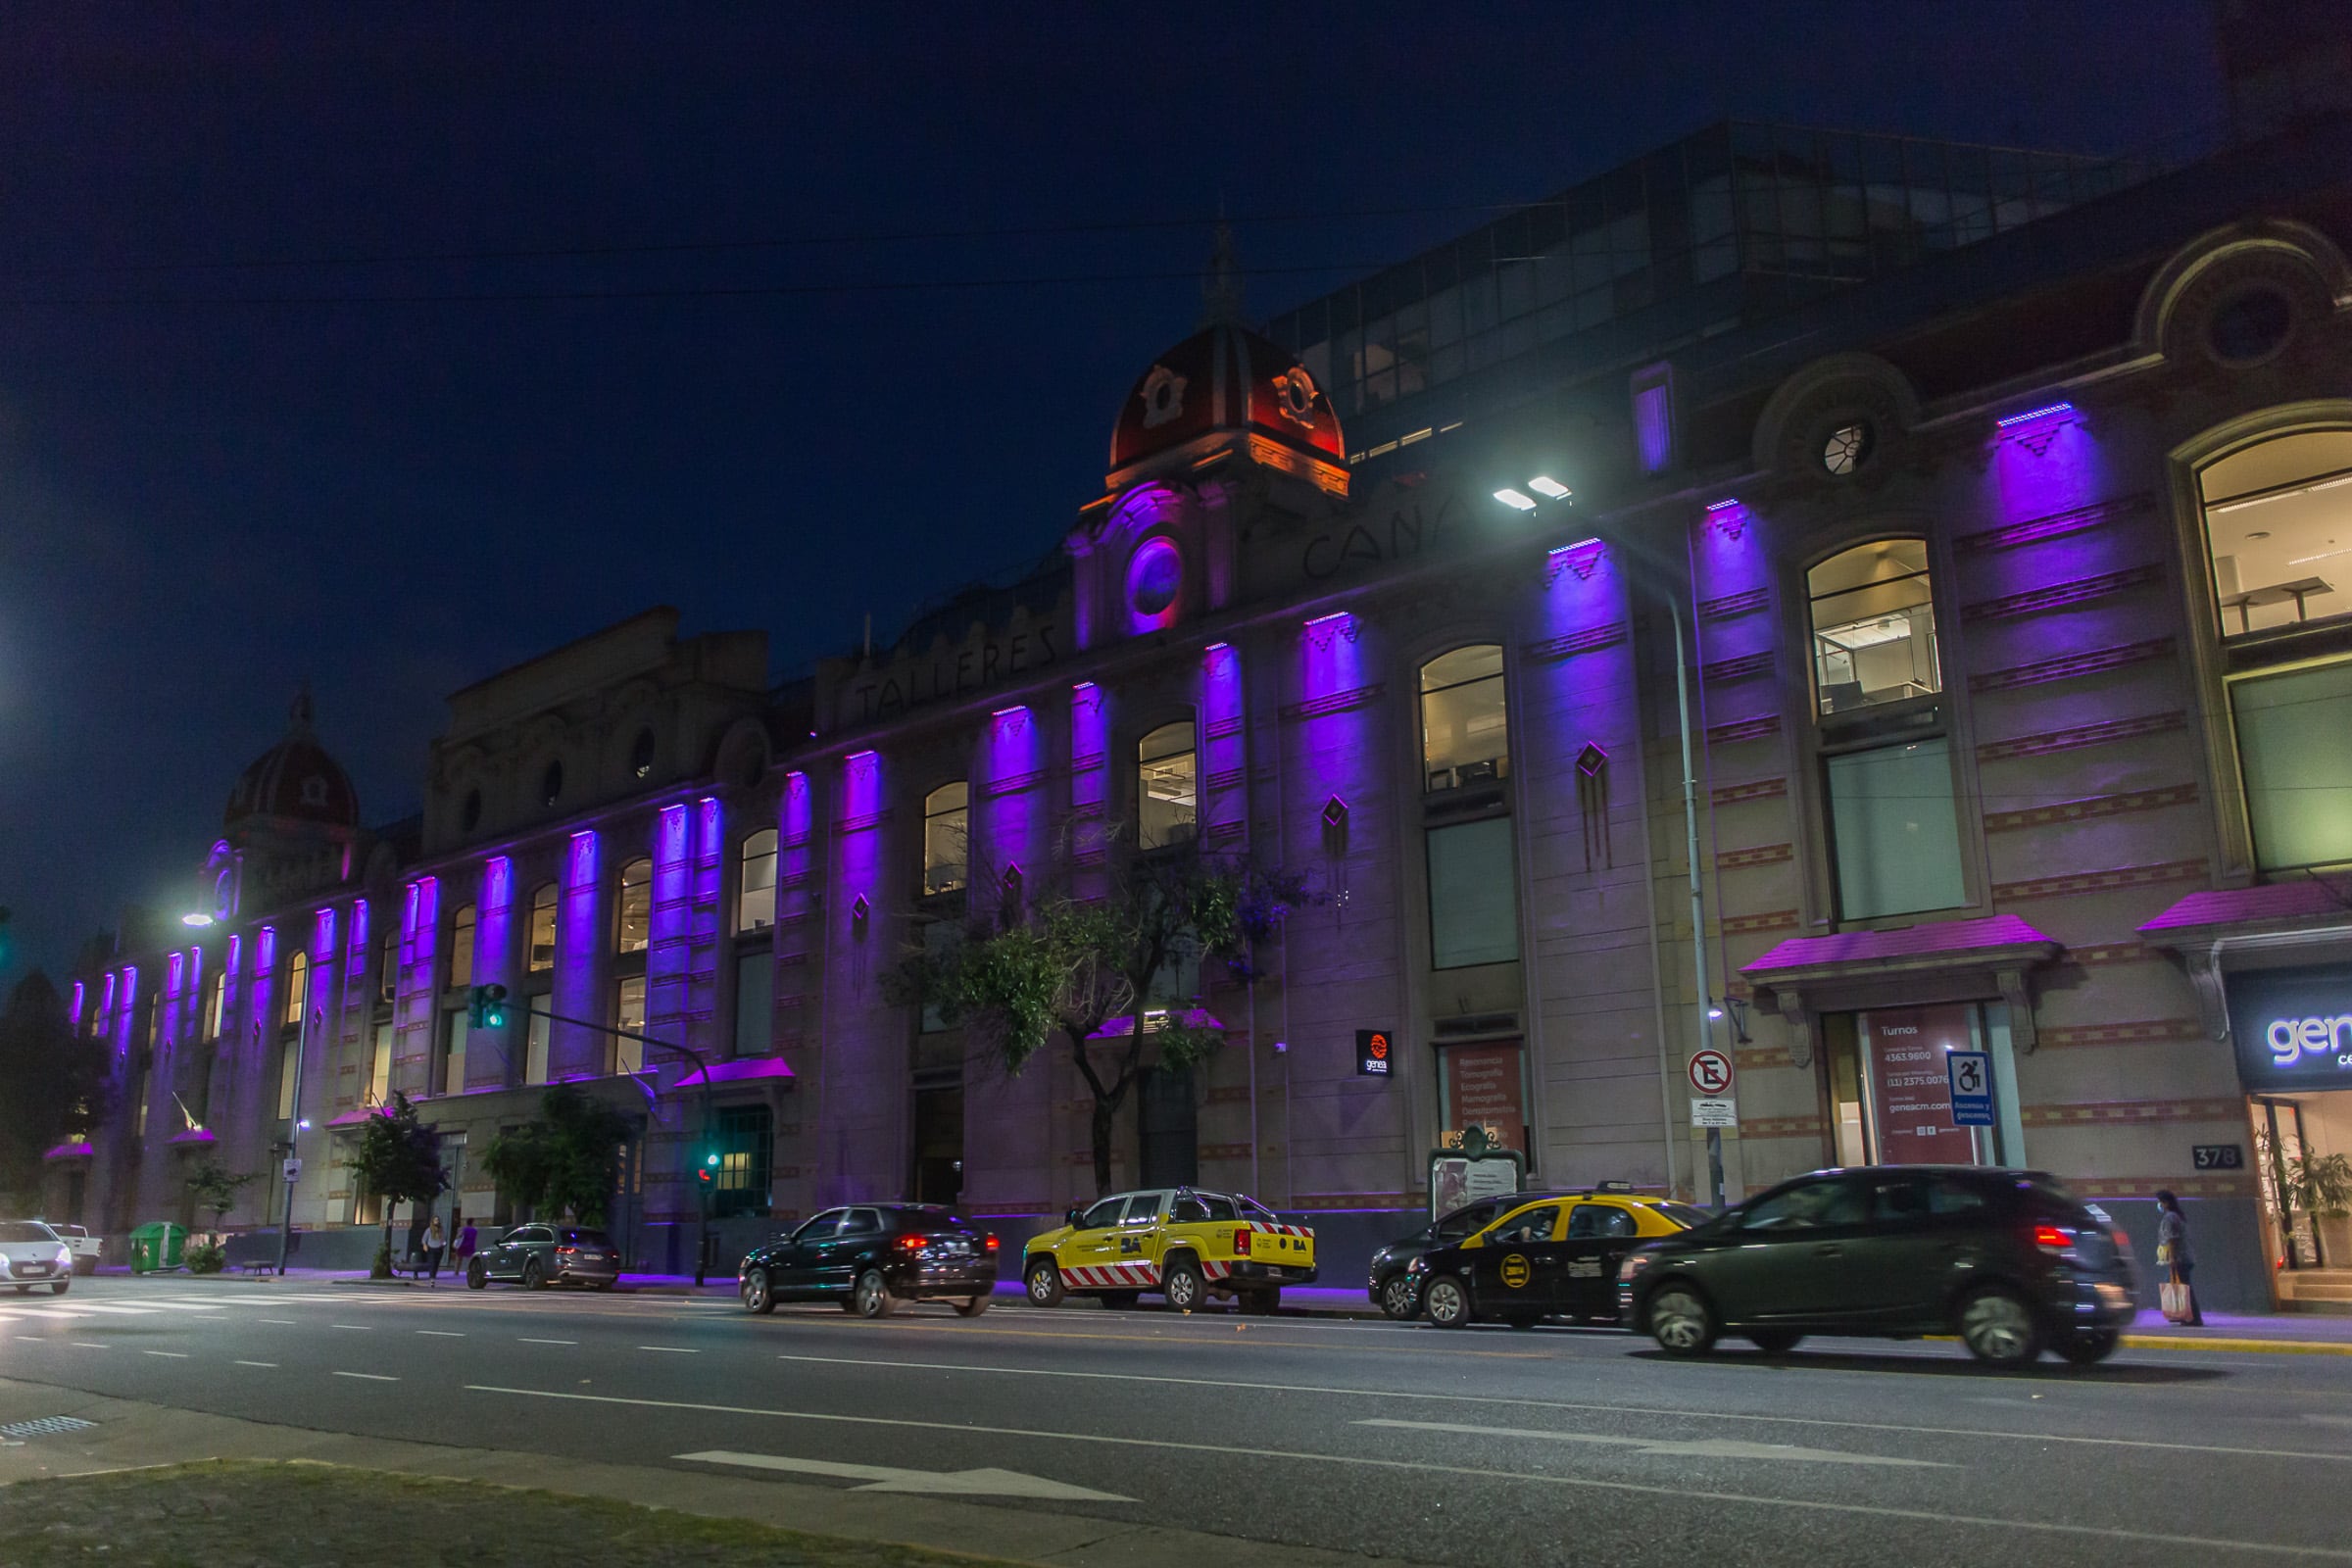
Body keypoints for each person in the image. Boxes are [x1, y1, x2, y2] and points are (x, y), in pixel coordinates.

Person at [2155, 1189, 2203, 1326]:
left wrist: (2172, 1257)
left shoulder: (2170, 1217)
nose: (2159, 1205)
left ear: (2166, 1203)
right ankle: (2182, 1315)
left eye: (2161, 1202)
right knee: (2181, 1287)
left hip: (2179, 1258)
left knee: (2184, 1288)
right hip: (2185, 1257)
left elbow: (2172, 1239)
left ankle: (2192, 1318)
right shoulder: (2178, 1216)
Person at [423, 1215, 447, 1284]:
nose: (437, 1221)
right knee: (432, 1263)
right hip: (431, 1248)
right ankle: (432, 1277)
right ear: (432, 1221)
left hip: (439, 1248)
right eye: (435, 1220)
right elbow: (424, 1239)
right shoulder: (429, 1230)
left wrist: (444, 1244)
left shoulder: (441, 1230)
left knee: (436, 1263)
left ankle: (434, 1275)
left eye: (438, 1220)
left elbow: (444, 1238)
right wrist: (425, 1245)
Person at [453, 1216, 477, 1282]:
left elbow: (459, 1236)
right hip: (471, 1246)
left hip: (462, 1245)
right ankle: (470, 1271)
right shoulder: (475, 1230)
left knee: (459, 1259)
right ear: (472, 1223)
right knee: (470, 1259)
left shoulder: (464, 1229)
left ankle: (456, 1272)